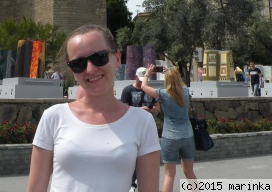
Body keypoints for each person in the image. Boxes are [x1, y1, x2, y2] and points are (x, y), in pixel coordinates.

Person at [27, 24, 161, 192]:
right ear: (72, 71)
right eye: (78, 63)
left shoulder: (142, 122)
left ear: (117, 58)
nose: (90, 69)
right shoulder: (53, 117)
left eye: (99, 57)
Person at [141, 64, 197, 192]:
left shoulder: (164, 94)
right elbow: (180, 84)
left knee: (169, 175)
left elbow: (144, 86)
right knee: (189, 173)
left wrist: (147, 74)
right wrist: (170, 72)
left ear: (167, 81)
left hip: (170, 136)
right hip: (187, 135)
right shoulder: (185, 91)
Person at [120, 67, 161, 191]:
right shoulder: (127, 90)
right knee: (132, 158)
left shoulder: (150, 90)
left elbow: (158, 108)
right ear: (136, 77)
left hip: (147, 129)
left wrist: (154, 110)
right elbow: (123, 111)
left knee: (146, 161)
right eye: (141, 79)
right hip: (131, 128)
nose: (143, 82)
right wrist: (139, 110)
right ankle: (131, 184)